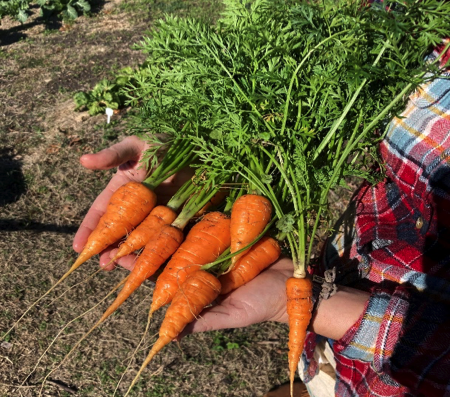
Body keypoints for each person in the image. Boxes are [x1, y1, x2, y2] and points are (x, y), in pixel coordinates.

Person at [72, 42, 450, 396]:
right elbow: (333, 71)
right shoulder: (415, 32)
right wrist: (204, 137)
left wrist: (320, 308)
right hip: (330, 334)